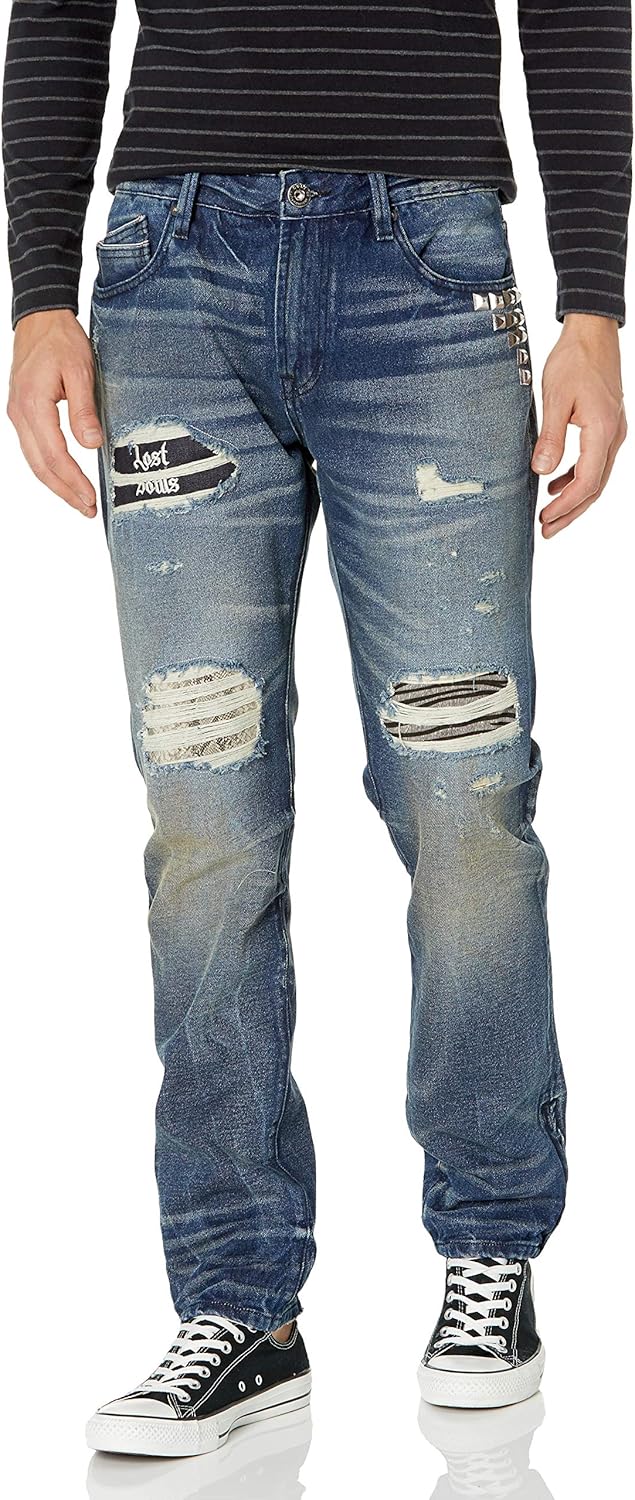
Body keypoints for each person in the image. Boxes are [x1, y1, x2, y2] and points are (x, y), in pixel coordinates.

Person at [3, 0, 630, 1458]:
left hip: (429, 274)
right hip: (170, 278)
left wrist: (593, 308)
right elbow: (57, 12)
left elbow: (579, 9)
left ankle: (491, 1253)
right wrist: (39, 296)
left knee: (464, 795)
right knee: (204, 823)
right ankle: (239, 1307)